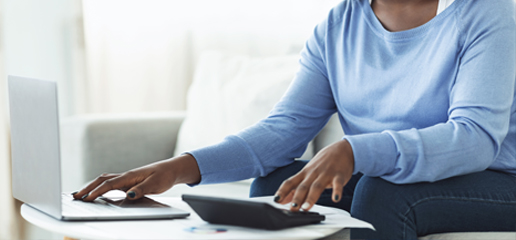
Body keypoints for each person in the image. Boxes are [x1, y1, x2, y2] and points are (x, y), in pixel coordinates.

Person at [72, 0, 516, 238]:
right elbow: (283, 131)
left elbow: (474, 139)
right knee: (275, 188)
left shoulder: (486, 13)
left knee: (385, 194)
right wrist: (174, 168)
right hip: (398, 175)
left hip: (495, 178)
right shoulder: (340, 25)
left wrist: (354, 149)